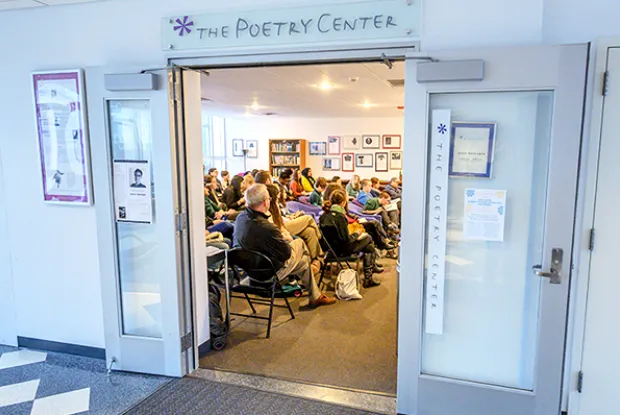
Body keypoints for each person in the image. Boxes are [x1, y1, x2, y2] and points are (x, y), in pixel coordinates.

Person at [234, 184, 336, 308]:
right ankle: (317, 262)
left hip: (249, 273)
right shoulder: (267, 227)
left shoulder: (240, 218)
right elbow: (286, 254)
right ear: (266, 202)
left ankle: (315, 296)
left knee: (303, 262)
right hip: (268, 274)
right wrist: (287, 239)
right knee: (299, 243)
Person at [320, 190, 382, 288]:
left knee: (368, 246)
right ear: (343, 202)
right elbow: (346, 240)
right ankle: (368, 276)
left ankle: (370, 273)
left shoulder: (324, 215)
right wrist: (357, 234)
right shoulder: (340, 217)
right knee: (369, 238)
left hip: (331, 249)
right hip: (342, 250)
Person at [266, 185, 323, 271]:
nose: (281, 194)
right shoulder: (270, 207)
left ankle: (314, 259)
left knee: (310, 231)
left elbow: (281, 217)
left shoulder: (277, 205)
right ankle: (320, 237)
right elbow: (276, 222)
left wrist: (292, 217)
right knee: (309, 218)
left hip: (286, 222)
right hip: (282, 228)